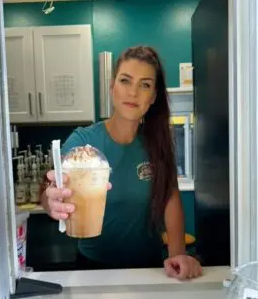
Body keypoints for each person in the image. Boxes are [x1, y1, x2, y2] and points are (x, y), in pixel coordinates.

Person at [40, 46, 202, 280]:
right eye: (125, 80)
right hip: (93, 269)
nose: (133, 92)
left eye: (145, 84)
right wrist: (49, 199)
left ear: (153, 97)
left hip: (150, 270)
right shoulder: (84, 141)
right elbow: (55, 186)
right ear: (112, 86)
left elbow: (170, 196)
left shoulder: (157, 143)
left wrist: (177, 253)